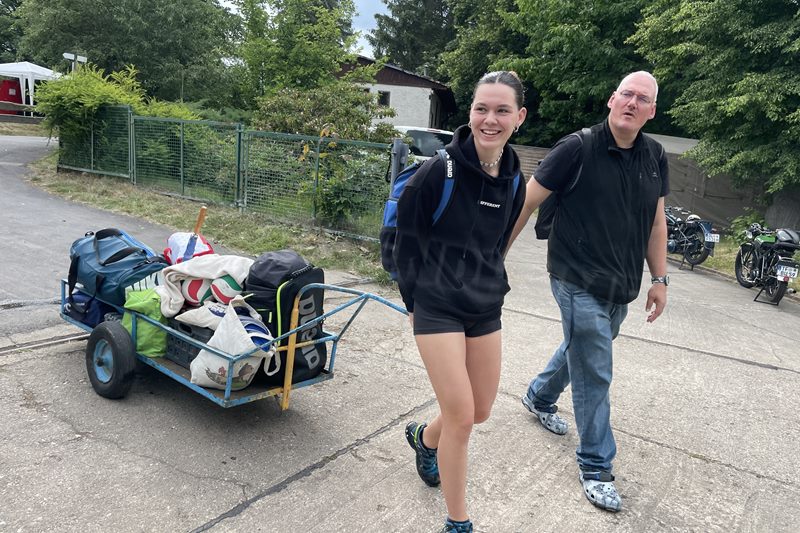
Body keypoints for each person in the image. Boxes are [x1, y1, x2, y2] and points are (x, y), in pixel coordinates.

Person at [506, 71, 669, 512]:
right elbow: (526, 201)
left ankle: (540, 396)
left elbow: (656, 222)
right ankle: (596, 465)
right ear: (612, 99)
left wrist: (659, 279)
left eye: (642, 99)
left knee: (581, 348)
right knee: (595, 367)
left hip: (621, 284)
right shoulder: (576, 147)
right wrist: (494, 257)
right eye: (626, 94)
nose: (632, 103)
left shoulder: (655, 156)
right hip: (573, 276)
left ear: (652, 111)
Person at [394, 71, 528, 533]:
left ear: (519, 117)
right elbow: (403, 241)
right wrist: (413, 303)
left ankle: (424, 439)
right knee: (462, 417)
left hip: (483, 304)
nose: (490, 119)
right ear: (470, 113)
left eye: (502, 110)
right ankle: (458, 521)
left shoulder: (515, 180)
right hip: (436, 304)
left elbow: (497, 242)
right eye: (481, 109)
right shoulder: (439, 171)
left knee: (480, 410)